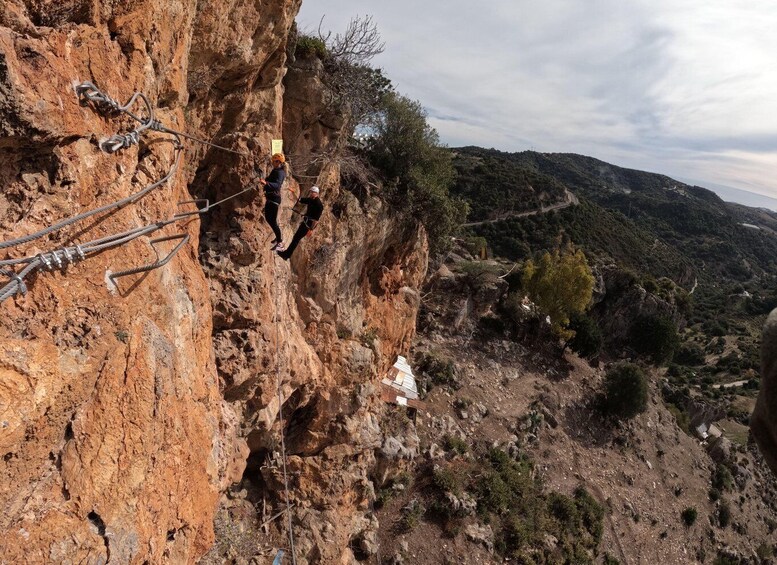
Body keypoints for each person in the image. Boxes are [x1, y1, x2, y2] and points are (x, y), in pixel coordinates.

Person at [277, 186, 324, 260]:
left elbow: (316, 220)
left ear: (316, 193)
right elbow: (299, 200)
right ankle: (286, 254)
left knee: (296, 239)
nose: (311, 194)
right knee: (296, 238)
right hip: (305, 222)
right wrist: (293, 192)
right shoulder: (310, 200)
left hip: (308, 225)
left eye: (312, 192)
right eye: (310, 192)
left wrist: (311, 229)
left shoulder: (319, 205)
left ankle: (286, 255)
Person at [259, 153, 286, 251]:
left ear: (278, 162)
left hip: (274, 199)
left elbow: (277, 185)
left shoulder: (280, 172)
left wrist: (266, 183)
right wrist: (264, 180)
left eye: (274, 161)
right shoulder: (277, 170)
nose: (272, 163)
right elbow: (271, 180)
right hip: (271, 198)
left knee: (272, 221)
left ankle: (280, 243)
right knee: (270, 219)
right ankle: (278, 239)